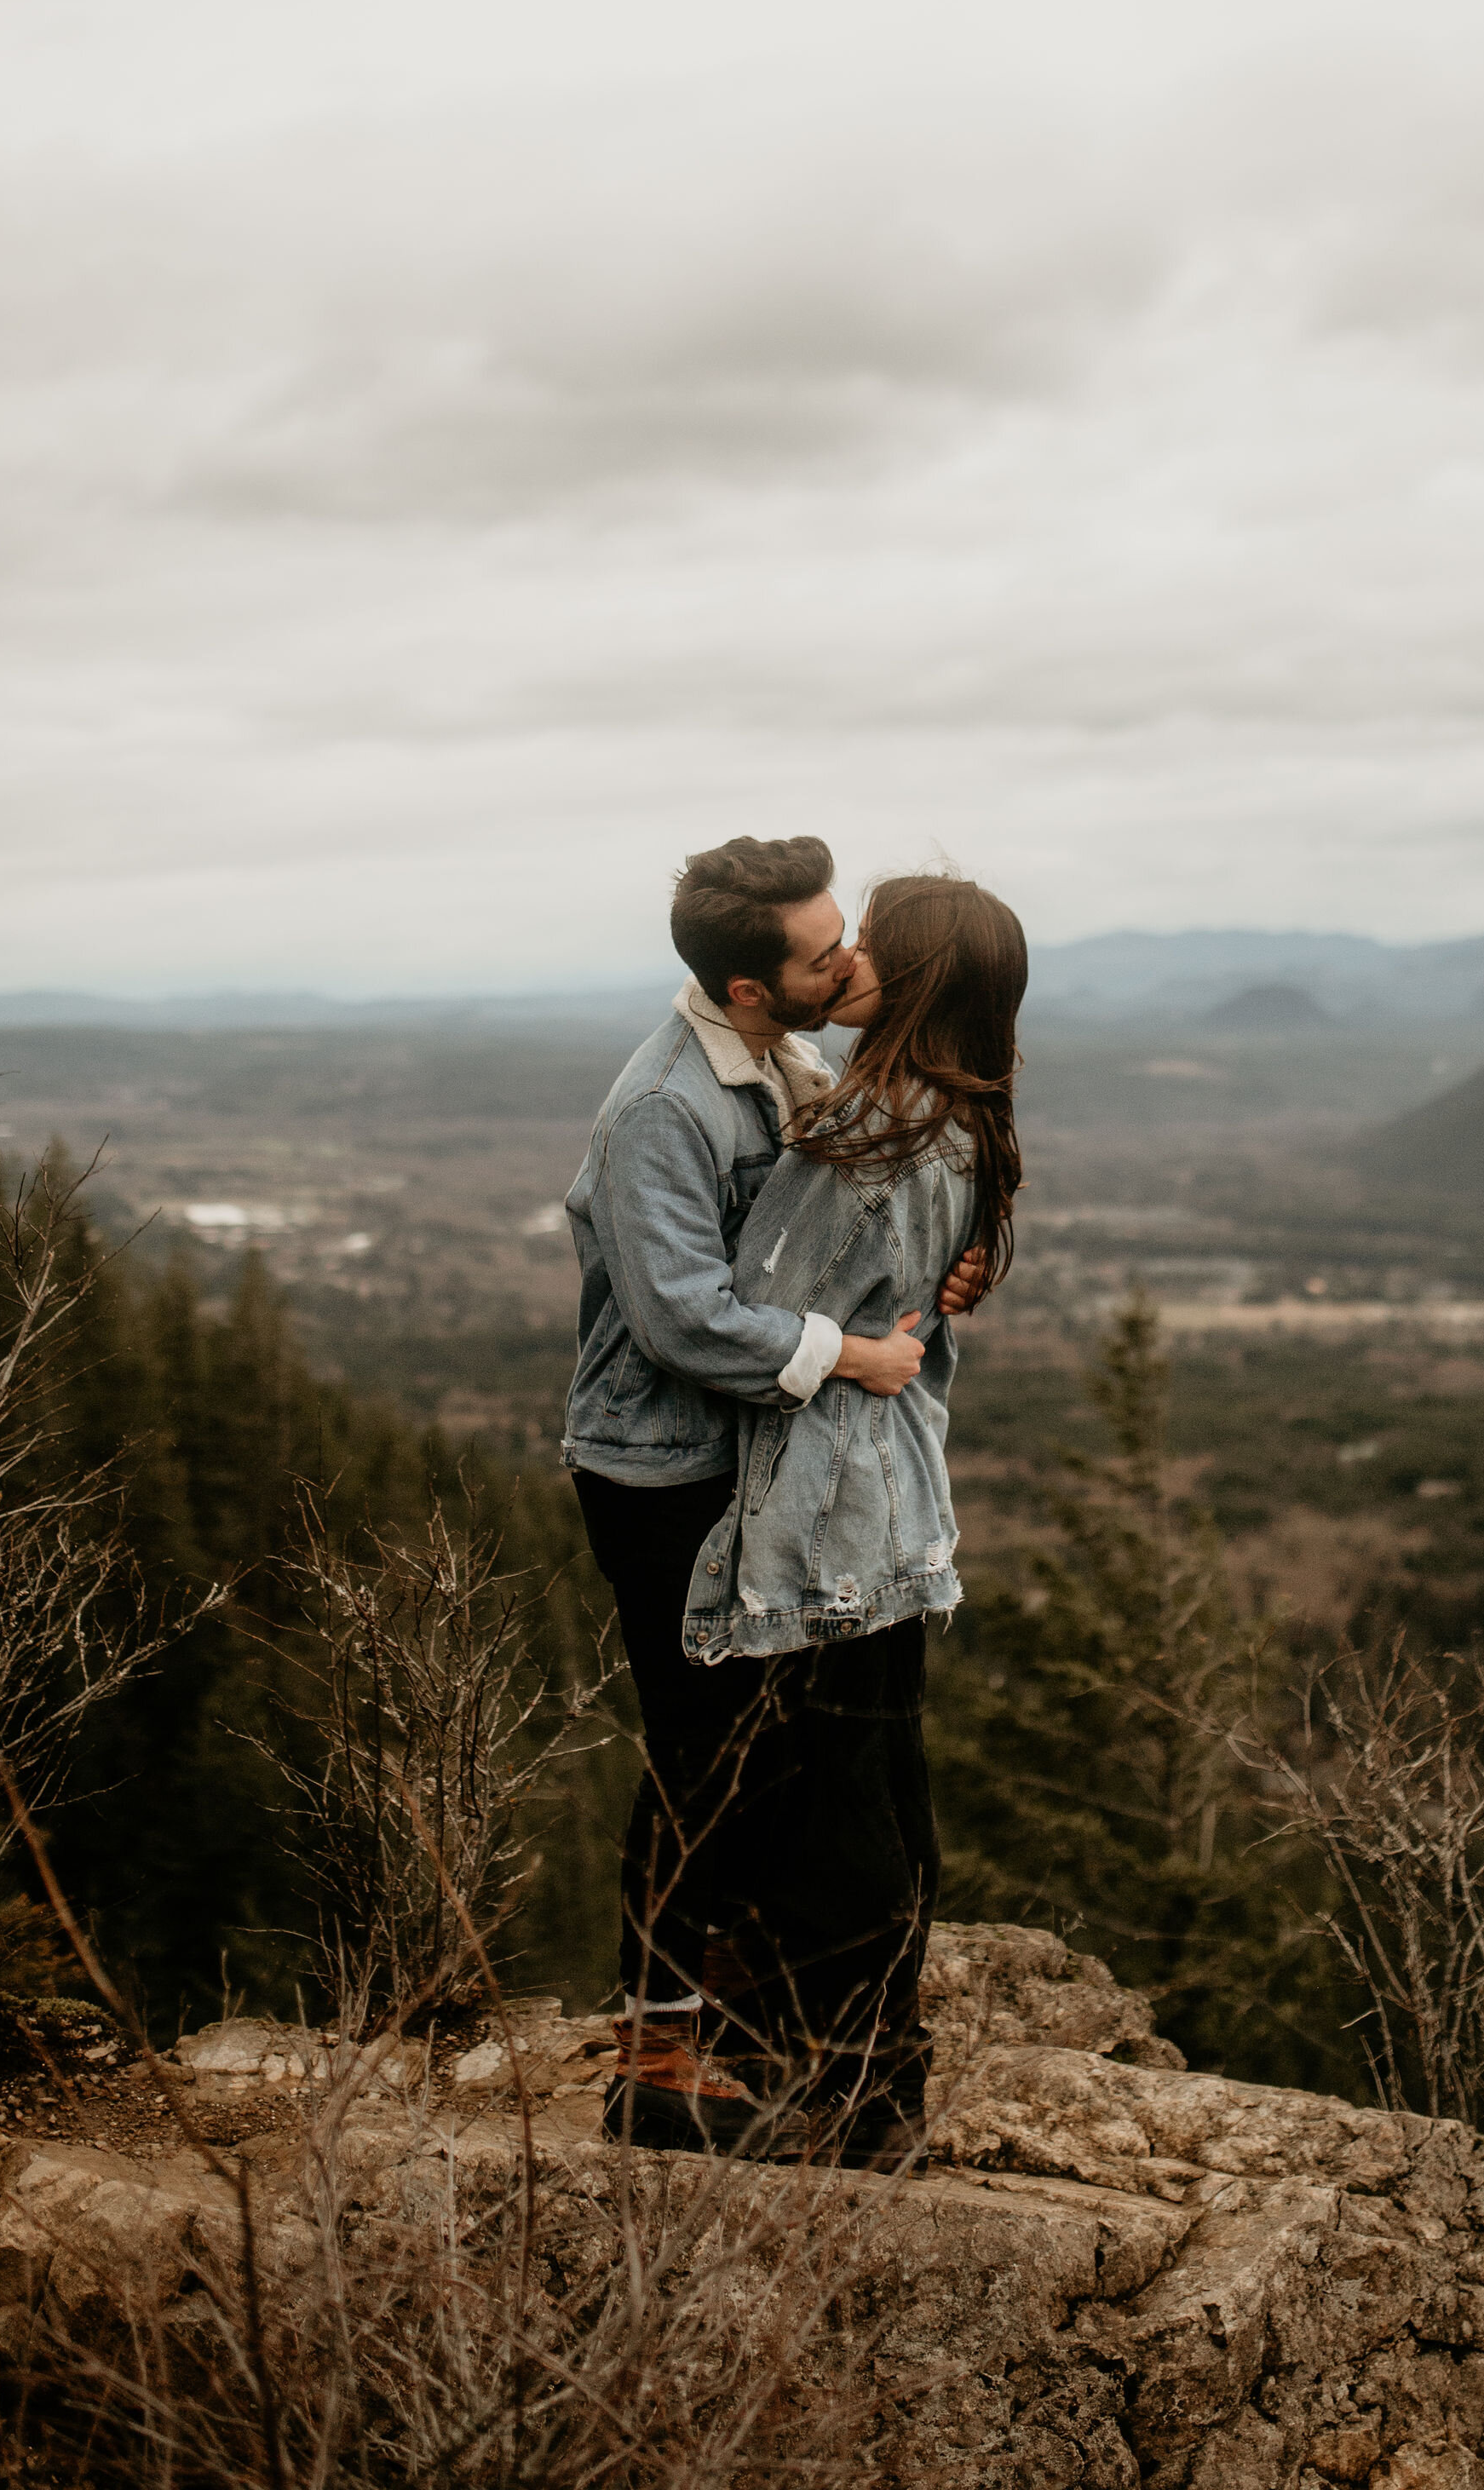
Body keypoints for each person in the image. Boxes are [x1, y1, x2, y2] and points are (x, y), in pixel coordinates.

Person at [562, 837, 983, 2154]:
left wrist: (938, 1278)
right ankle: (658, 2061)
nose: (852, 961)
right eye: (823, 956)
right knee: (704, 1763)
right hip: (666, 1473)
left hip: (749, 1465)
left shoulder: (785, 1065)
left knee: (761, 1767)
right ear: (751, 989)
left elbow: (860, 1221)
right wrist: (855, 1353)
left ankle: (737, 2038)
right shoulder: (664, 1111)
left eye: (845, 931)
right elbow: (686, 1318)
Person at [683, 871, 1026, 2166]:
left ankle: (848, 2091)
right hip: (898, 1502)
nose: (855, 955)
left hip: (823, 1506)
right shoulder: (964, 1114)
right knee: (882, 1782)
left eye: (878, 940)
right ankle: (874, 2072)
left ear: (921, 978)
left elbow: (744, 1302)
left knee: (828, 1802)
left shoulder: (866, 1130)